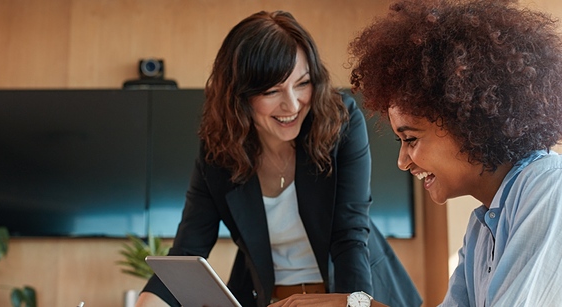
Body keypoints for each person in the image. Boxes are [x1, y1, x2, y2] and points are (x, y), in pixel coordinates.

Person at [272, 0, 562, 306]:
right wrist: (352, 303)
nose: (402, 161)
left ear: (469, 123)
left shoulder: (547, 187)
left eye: (410, 139)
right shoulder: (482, 226)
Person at [134, 10, 421, 307]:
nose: (293, 104)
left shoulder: (340, 122)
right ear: (238, 96)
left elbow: (349, 235)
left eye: (302, 83)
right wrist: (147, 302)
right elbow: (188, 251)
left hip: (354, 293)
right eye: (272, 90)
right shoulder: (219, 150)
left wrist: (352, 304)